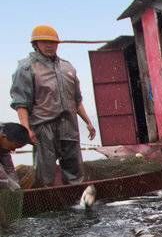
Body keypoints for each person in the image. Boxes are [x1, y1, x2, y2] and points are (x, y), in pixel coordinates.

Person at [10, 25, 97, 188]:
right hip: (43, 128)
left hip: (69, 125)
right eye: (44, 42)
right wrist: (26, 129)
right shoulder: (26, 68)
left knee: (75, 170)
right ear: (35, 44)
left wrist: (88, 122)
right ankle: (48, 206)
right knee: (45, 175)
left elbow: (76, 100)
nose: (50, 45)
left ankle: (76, 201)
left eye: (53, 42)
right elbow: (21, 103)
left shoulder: (67, 67)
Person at [0, 122, 31, 191]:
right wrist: (13, 186)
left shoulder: (4, 145)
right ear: (3, 137)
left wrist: (16, 184)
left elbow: (9, 168)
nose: (13, 150)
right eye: (14, 146)